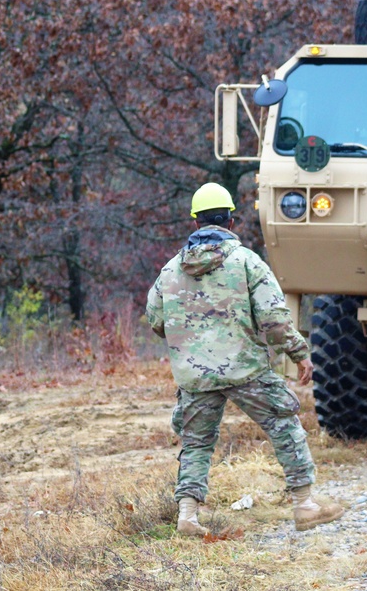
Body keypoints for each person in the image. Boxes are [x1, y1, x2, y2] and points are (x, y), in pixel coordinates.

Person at [146, 182, 344, 536]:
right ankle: (305, 505)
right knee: (284, 426)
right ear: (231, 221)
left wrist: (191, 342)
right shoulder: (247, 262)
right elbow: (274, 318)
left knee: (196, 444)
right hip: (246, 370)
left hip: (195, 376)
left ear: (195, 223)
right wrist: (299, 354)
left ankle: (187, 517)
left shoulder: (170, 270)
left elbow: (156, 321)